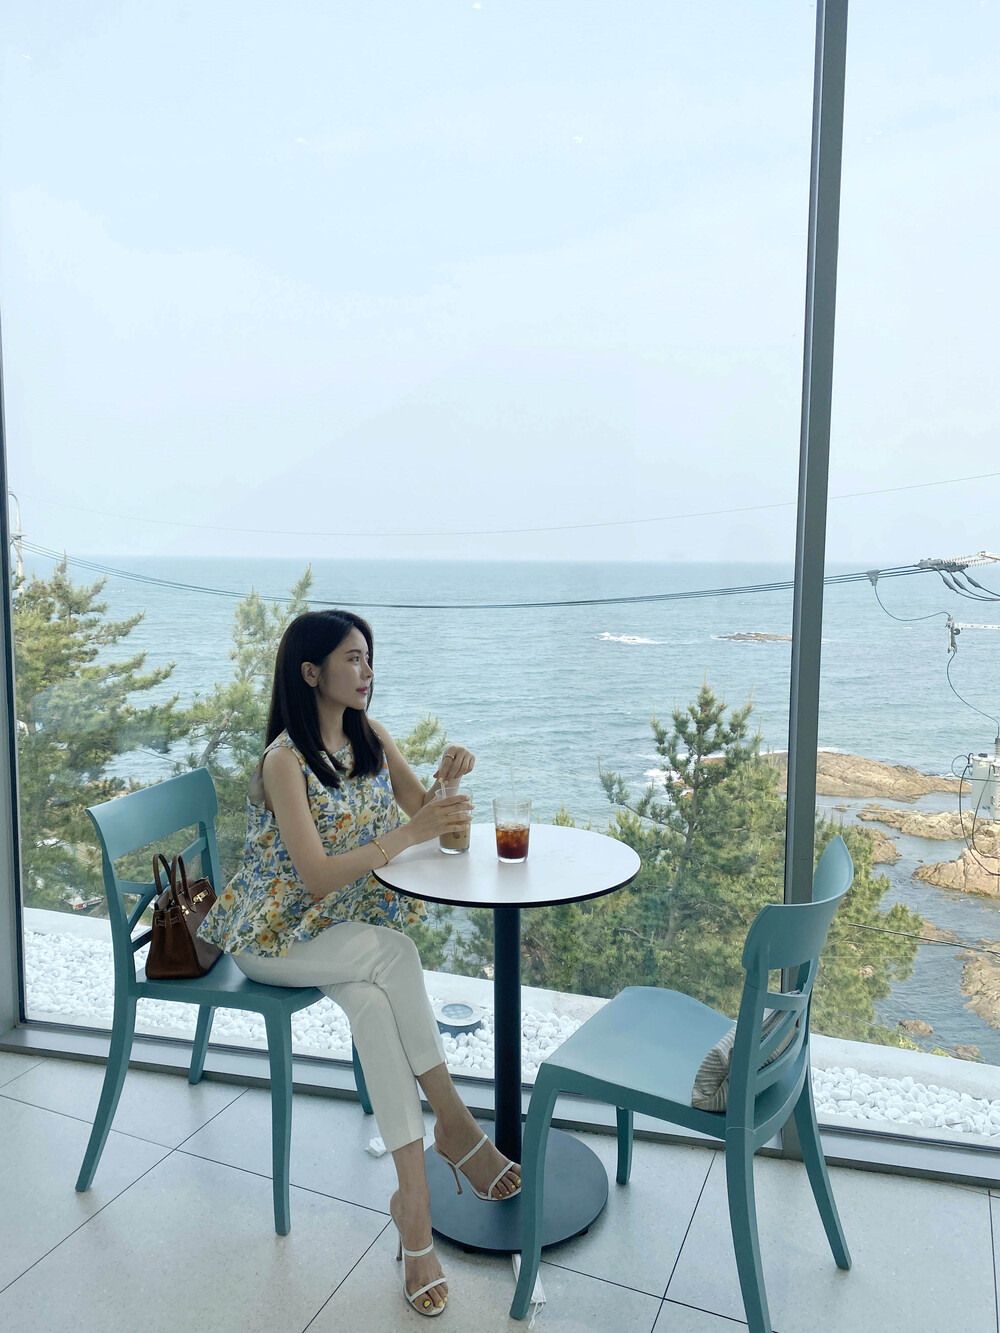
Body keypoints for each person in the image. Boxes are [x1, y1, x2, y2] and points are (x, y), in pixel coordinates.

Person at [198, 609, 520, 1318]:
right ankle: (455, 1124)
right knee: (396, 952)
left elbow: (432, 822)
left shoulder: (370, 736)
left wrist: (447, 782)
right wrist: (410, 830)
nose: (367, 671)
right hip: (273, 936)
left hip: (338, 930)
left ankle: (414, 1209)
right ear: (311, 671)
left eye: (370, 658)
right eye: (352, 658)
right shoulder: (284, 761)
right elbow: (315, 876)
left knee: (375, 1007)